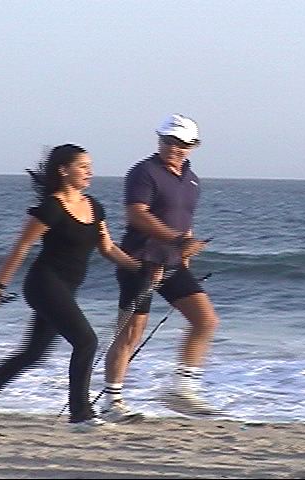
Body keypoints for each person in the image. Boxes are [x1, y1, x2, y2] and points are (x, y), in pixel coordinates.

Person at [0, 144, 140, 432]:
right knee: (86, 341)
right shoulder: (52, 208)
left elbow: (108, 248)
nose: (90, 172)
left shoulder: (94, 206)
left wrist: (141, 269)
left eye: (90, 166)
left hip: (66, 288)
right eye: (83, 166)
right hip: (44, 284)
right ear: (63, 170)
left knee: (34, 353)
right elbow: (21, 247)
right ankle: (80, 415)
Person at [99, 114, 221, 422]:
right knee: (130, 333)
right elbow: (136, 215)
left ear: (193, 146)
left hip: (173, 263)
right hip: (139, 262)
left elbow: (184, 220)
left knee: (205, 321)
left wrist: (185, 251)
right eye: (168, 141)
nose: (173, 148)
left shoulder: (192, 180)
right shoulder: (144, 172)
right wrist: (178, 241)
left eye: (181, 144)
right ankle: (111, 402)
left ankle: (182, 390)